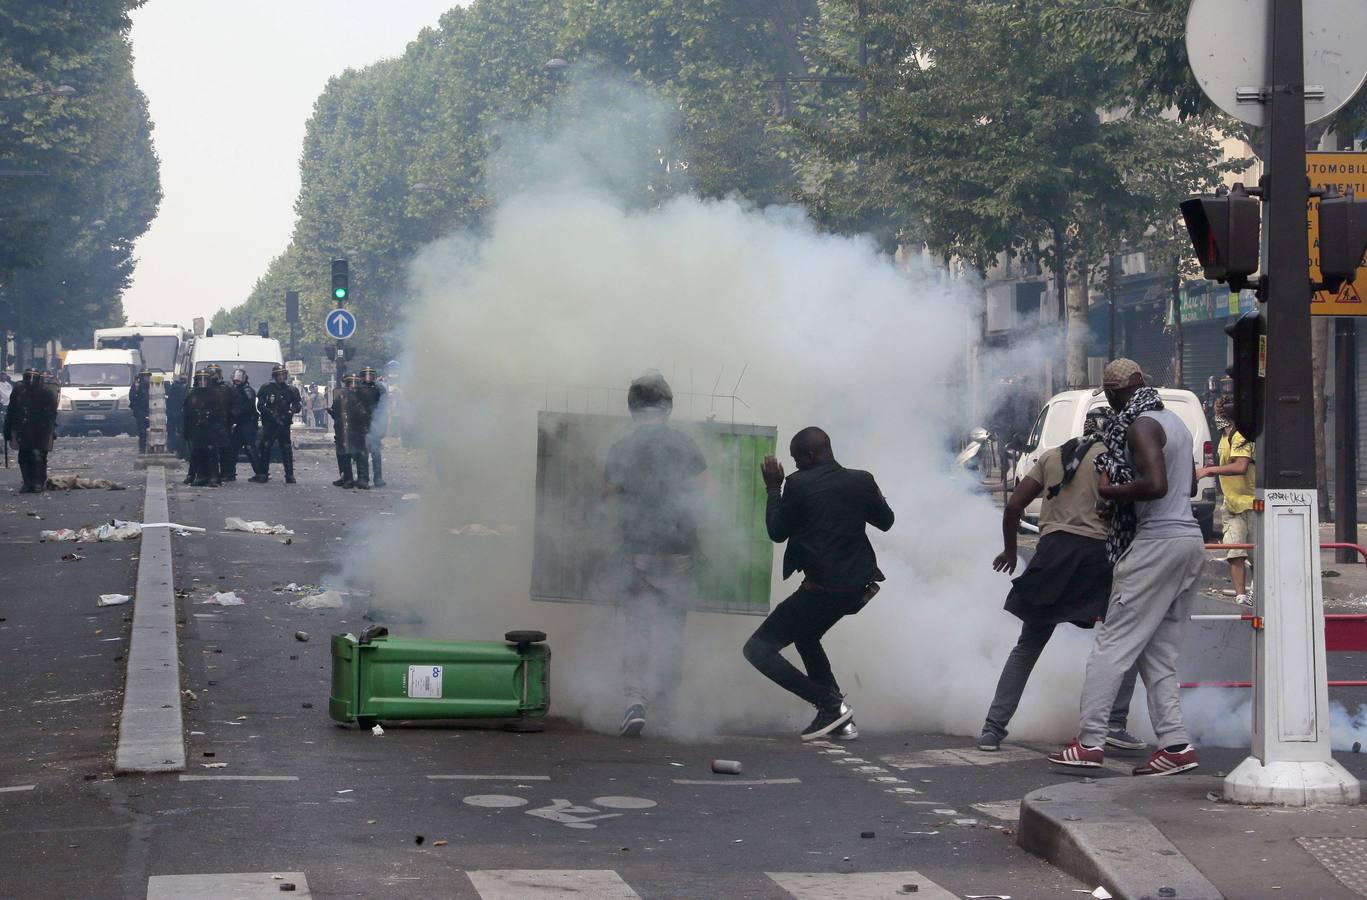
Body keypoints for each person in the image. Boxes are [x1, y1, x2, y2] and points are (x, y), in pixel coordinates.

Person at [1050, 359, 1205, 776]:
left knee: (1111, 647)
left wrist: (1109, 490)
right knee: (1158, 655)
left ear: (1117, 395)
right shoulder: (1176, 423)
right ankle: (1175, 746)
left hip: (1156, 544)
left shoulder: (1139, 426)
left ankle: (1089, 742)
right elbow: (1188, 486)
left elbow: (1156, 485)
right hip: (1189, 540)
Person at [978, 409, 1143, 752]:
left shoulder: (1052, 457)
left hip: (1052, 555)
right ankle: (1113, 723)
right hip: (1098, 558)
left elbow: (1013, 508)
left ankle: (992, 730)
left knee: (1027, 647)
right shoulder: (1115, 461)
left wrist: (1010, 552)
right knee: (1122, 642)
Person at [743, 426, 894, 742]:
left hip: (823, 590)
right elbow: (886, 521)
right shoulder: (862, 480)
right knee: (807, 636)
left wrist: (773, 488)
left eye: (798, 460)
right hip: (856, 589)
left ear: (810, 456)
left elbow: (776, 532)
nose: (795, 467)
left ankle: (829, 704)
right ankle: (840, 719)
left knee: (757, 650)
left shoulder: (797, 485)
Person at [601, 372, 708, 737]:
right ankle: (669, 707)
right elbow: (702, 494)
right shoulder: (685, 444)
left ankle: (636, 702)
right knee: (673, 629)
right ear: (668, 406)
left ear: (632, 409)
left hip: (638, 553)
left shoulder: (622, 447)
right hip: (680, 552)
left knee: (637, 629)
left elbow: (609, 497)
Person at [1195, 397, 1255, 605]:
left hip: (1251, 504)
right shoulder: (1224, 437)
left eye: (1218, 413)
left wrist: (1209, 470)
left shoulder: (1240, 437)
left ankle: (1257, 593)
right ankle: (1240, 596)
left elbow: (1241, 466)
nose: (1215, 418)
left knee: (1257, 554)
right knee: (1235, 553)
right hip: (1232, 504)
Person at [4, 368, 59, 493]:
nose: (31, 381)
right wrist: (7, 430)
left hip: (40, 429)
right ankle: (28, 482)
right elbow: (11, 412)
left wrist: (50, 429)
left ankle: (38, 482)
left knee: (39, 456)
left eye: (33, 378)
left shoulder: (46, 393)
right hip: (23, 429)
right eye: (28, 377)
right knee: (24, 456)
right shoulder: (18, 392)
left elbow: (51, 414)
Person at [251, 364, 300, 484]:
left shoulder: (291, 390)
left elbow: (297, 405)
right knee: (265, 446)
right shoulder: (266, 388)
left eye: (283, 375)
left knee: (286, 447)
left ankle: (289, 475)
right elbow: (260, 405)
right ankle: (263, 474)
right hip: (270, 422)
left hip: (284, 422)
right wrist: (271, 414)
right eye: (279, 375)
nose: (281, 377)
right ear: (274, 376)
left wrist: (290, 411)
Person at [183, 369, 224, 486]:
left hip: (211, 428)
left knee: (212, 452)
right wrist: (187, 430)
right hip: (197, 429)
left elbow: (221, 413)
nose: (202, 383)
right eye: (200, 380)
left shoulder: (215, 394)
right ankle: (200, 475)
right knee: (198, 452)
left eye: (205, 380)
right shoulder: (192, 394)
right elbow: (187, 414)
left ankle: (214, 476)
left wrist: (217, 427)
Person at [328, 373, 370, 488]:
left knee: (361, 454)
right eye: (350, 383)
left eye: (355, 383)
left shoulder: (363, 396)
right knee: (344, 454)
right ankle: (347, 478)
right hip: (344, 430)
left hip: (359, 429)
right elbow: (336, 412)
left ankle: (363, 479)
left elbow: (367, 412)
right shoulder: (340, 396)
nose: (353, 386)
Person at [222, 369, 258, 481]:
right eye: (235, 378)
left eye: (239, 378)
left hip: (248, 423)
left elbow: (247, 406)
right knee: (232, 449)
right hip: (239, 423)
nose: (237, 381)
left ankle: (260, 473)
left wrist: (234, 413)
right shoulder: (235, 390)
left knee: (250, 448)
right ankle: (230, 473)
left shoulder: (247, 390)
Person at [357, 366, 388, 487]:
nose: (368, 377)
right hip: (362, 422)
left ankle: (378, 478)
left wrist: (380, 422)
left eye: (371, 375)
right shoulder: (358, 388)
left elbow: (383, 405)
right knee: (363, 452)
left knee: (376, 452)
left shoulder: (379, 388)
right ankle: (364, 478)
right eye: (366, 375)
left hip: (375, 421)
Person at [166, 373, 189, 457]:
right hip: (179, 415)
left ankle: (172, 449)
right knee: (180, 433)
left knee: (173, 433)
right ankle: (180, 452)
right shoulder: (182, 389)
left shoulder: (174, 387)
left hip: (173, 414)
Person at [129, 369, 151, 453]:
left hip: (150, 411)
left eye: (148, 376)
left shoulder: (151, 385)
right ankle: (142, 449)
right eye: (145, 376)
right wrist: (137, 410)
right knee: (142, 432)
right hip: (141, 412)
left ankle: (150, 449)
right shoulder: (137, 386)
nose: (147, 378)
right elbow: (132, 397)